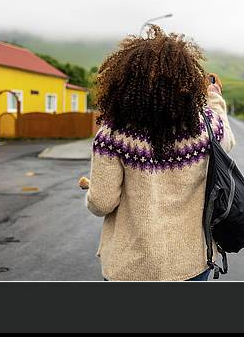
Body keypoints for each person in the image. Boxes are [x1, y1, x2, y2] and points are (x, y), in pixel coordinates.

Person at [83, 25, 235, 281]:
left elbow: (102, 203)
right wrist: (215, 96)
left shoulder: (113, 134)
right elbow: (227, 139)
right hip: (192, 263)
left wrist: (92, 191)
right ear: (185, 82)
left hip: (130, 267)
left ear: (125, 82)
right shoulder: (206, 127)